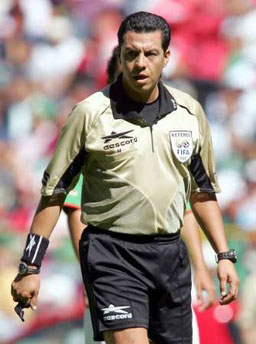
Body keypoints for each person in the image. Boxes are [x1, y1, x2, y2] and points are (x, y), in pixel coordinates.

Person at [11, 11, 239, 344]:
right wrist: (30, 267)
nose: (140, 63)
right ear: (120, 54)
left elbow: (201, 194)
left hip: (169, 257)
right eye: (131, 54)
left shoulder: (189, 114)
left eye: (150, 54)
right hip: (112, 254)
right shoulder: (89, 115)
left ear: (167, 57)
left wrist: (222, 257)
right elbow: (56, 195)